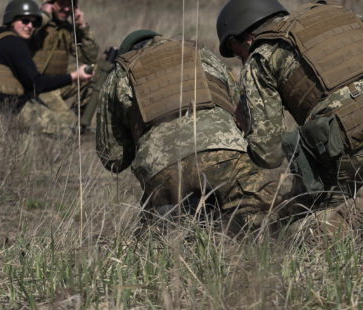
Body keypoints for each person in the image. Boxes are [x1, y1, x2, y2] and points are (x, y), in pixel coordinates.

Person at [216, 0, 363, 217]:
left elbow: (268, 153)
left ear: (242, 38)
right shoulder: (341, 19)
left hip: (354, 145)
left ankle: (338, 228)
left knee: (299, 208)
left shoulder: (261, 56)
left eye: (238, 54)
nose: (241, 60)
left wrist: (247, 126)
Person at [94, 29, 279, 231]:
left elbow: (112, 157)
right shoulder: (203, 54)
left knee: (163, 248)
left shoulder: (118, 75)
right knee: (267, 223)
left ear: (127, 53)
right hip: (226, 153)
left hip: (162, 170)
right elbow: (239, 113)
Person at [0, 0, 93, 132]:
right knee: (69, 130)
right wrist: (74, 76)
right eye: (25, 21)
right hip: (9, 109)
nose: (30, 26)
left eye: (34, 23)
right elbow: (36, 84)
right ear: (11, 20)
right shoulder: (13, 43)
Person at [31, 0, 108, 127]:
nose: (66, 9)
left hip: (58, 83)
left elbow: (89, 58)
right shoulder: (33, 24)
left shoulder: (67, 29)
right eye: (62, 3)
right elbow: (28, 33)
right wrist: (44, 15)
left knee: (94, 71)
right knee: (68, 125)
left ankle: (81, 122)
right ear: (50, 2)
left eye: (71, 4)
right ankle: (73, 126)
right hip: (39, 87)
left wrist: (82, 27)